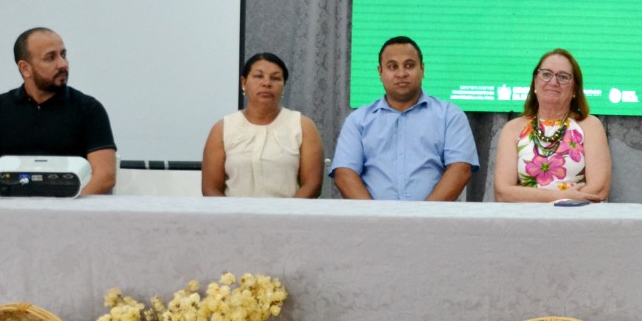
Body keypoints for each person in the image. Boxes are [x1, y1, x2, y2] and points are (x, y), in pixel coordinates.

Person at [0, 27, 116, 194]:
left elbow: (105, 176)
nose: (62, 64)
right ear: (25, 68)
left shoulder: (89, 109)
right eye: (50, 57)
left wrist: (69, 212)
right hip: (9, 213)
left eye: (63, 55)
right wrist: (0, 210)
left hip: (73, 212)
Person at [332, 36, 478, 201]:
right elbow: (344, 173)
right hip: (374, 222)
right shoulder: (358, 120)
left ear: (422, 69)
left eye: (409, 65)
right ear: (380, 72)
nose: (401, 73)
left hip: (433, 222)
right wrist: (375, 218)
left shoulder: (449, 115)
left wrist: (422, 218)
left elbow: (460, 169)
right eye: (392, 66)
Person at [494, 48, 611, 202]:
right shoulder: (513, 128)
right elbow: (503, 192)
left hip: (577, 217)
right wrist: (561, 197)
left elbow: (598, 190)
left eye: (563, 77)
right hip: (526, 219)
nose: (553, 82)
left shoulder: (590, 125)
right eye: (546, 74)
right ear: (535, 82)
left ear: (575, 88)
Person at [201, 52, 324, 198]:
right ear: (244, 83)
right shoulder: (222, 128)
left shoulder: (302, 126)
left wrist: (286, 216)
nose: (266, 83)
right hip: (234, 218)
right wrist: (236, 218)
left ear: (284, 86)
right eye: (258, 76)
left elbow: (312, 185)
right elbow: (210, 189)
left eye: (275, 78)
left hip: (288, 217)